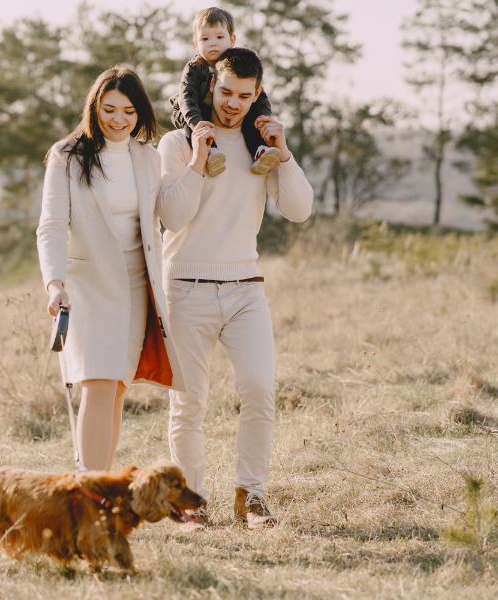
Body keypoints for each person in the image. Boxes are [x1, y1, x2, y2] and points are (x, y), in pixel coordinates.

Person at [157, 47, 314, 527]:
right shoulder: (176, 143)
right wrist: (199, 159)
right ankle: (192, 502)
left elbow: (299, 209)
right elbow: (174, 215)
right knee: (189, 403)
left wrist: (283, 153)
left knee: (261, 389)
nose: (233, 103)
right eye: (226, 91)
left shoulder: (258, 141)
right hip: (185, 286)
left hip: (246, 287)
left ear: (257, 94)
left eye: (245, 95)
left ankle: (252, 498)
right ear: (210, 86)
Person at [37, 66, 186, 472]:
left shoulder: (148, 158)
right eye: (109, 109)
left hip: (138, 287)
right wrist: (54, 283)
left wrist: (198, 166)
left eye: (128, 110)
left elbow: (169, 215)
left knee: (116, 391)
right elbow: (50, 226)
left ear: (140, 113)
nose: (118, 119)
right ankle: (90, 492)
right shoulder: (66, 156)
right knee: (99, 387)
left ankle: (100, 492)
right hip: (88, 288)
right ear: (94, 109)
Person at [169, 7, 281, 179]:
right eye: (205, 38)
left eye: (219, 37)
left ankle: (259, 151)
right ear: (196, 43)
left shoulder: (235, 64)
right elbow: (186, 98)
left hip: (217, 110)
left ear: (232, 40)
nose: (212, 43)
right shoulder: (195, 67)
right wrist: (196, 122)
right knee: (195, 124)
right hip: (190, 110)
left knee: (249, 117)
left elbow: (260, 96)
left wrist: (264, 116)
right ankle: (210, 153)